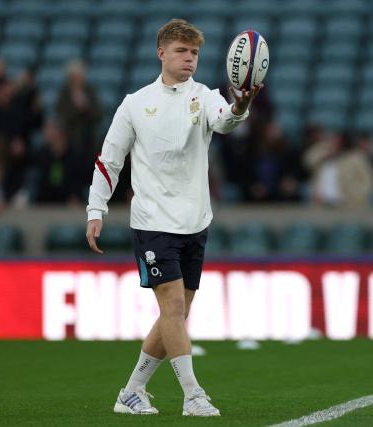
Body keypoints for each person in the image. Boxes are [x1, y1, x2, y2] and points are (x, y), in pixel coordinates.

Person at [85, 19, 261, 417]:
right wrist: (96, 209)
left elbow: (226, 120)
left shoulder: (204, 96)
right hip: (152, 222)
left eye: (195, 53)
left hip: (195, 222)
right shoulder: (135, 103)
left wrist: (242, 105)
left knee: (174, 316)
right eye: (182, 51)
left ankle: (131, 391)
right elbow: (108, 160)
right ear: (161, 53)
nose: (190, 59)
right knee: (174, 312)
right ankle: (194, 395)